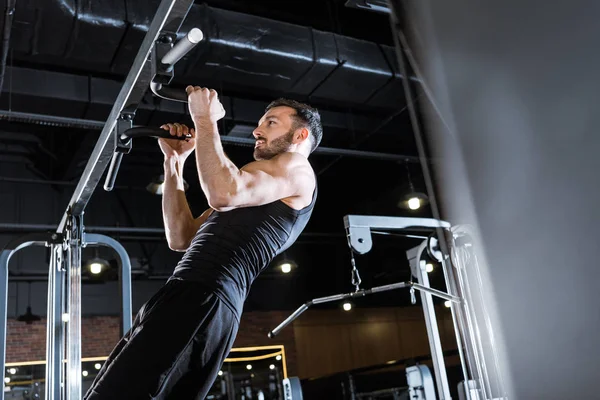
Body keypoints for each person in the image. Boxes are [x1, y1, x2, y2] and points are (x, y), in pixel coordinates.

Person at [83, 86, 322, 399]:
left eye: (271, 122)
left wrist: (205, 119)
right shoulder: (260, 183)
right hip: (186, 289)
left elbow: (224, 192)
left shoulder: (297, 168)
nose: (257, 130)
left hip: (206, 293)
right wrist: (174, 162)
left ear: (300, 135)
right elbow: (181, 236)